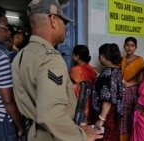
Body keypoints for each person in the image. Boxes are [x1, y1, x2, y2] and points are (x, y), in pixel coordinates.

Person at [11, 0, 103, 141]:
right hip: (52, 136)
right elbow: (51, 114)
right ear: (53, 20)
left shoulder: (21, 55)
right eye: (63, 23)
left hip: (34, 133)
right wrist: (80, 136)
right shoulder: (50, 58)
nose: (65, 28)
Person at [0, 3, 24, 141]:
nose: (8, 32)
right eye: (4, 28)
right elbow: (8, 100)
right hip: (0, 120)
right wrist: (20, 126)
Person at [91, 43, 123, 141]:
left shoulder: (108, 74)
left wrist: (101, 119)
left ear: (102, 56)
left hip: (106, 116)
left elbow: (107, 99)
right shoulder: (117, 71)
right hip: (113, 116)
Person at [120, 37, 144, 141]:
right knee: (122, 116)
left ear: (136, 47)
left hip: (133, 91)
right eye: (127, 45)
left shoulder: (139, 61)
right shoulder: (122, 60)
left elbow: (142, 79)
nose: (129, 48)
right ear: (124, 46)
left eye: (132, 45)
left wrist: (131, 83)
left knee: (130, 115)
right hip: (122, 91)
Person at [69, 45, 97, 125]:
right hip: (91, 103)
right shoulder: (93, 69)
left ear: (77, 56)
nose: (72, 56)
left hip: (80, 103)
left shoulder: (75, 70)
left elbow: (71, 88)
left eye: (73, 54)